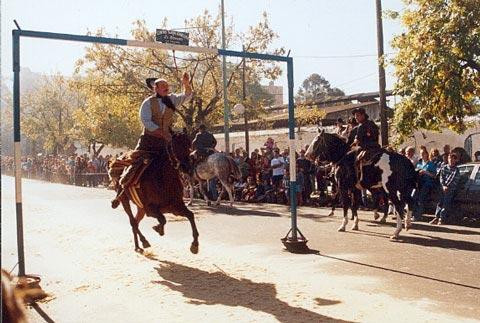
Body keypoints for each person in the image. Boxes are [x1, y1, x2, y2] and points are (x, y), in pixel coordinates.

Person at [112, 73, 192, 206]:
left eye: (167, 86)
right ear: (156, 88)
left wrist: (186, 84)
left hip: (166, 141)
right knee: (136, 163)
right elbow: (146, 121)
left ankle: (176, 189)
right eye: (163, 86)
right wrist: (161, 132)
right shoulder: (147, 103)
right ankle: (121, 190)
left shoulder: (172, 99)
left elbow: (187, 96)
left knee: (175, 162)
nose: (166, 88)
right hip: (149, 140)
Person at [430, 153, 460, 225]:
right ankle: (436, 217)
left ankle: (441, 218)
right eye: (450, 159)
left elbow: (453, 179)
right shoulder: (444, 167)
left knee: (446, 204)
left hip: (450, 189)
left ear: (455, 160)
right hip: (442, 188)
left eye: (453, 159)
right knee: (440, 202)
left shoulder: (456, 170)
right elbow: (441, 178)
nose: (451, 160)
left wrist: (447, 186)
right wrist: (443, 186)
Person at [412, 148, 437, 221]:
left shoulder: (431, 164)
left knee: (421, 198)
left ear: (426, 154)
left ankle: (418, 216)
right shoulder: (419, 163)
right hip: (419, 183)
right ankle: (413, 214)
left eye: (423, 153)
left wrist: (426, 172)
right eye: (421, 153)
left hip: (427, 183)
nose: (422, 155)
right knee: (414, 197)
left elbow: (434, 175)